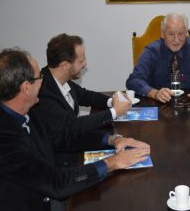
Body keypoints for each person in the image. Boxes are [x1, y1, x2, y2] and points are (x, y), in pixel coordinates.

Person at [0, 48, 150, 211]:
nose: (43, 80)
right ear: (26, 87)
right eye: (39, 77)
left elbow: (62, 137)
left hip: (53, 189)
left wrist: (111, 140)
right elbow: (56, 183)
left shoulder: (24, 106)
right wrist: (112, 163)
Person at [32, 33, 132, 168]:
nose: (85, 64)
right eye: (81, 61)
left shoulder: (60, 80)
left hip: (75, 146)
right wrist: (114, 112)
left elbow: (85, 95)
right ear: (65, 65)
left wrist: (112, 101)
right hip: (61, 165)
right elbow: (73, 126)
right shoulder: (43, 93)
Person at [126, 13, 190, 103]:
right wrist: (154, 93)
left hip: (188, 102)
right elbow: (134, 80)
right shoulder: (151, 51)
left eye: (181, 34)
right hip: (157, 103)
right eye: (171, 34)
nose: (176, 39)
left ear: (186, 33)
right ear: (162, 34)